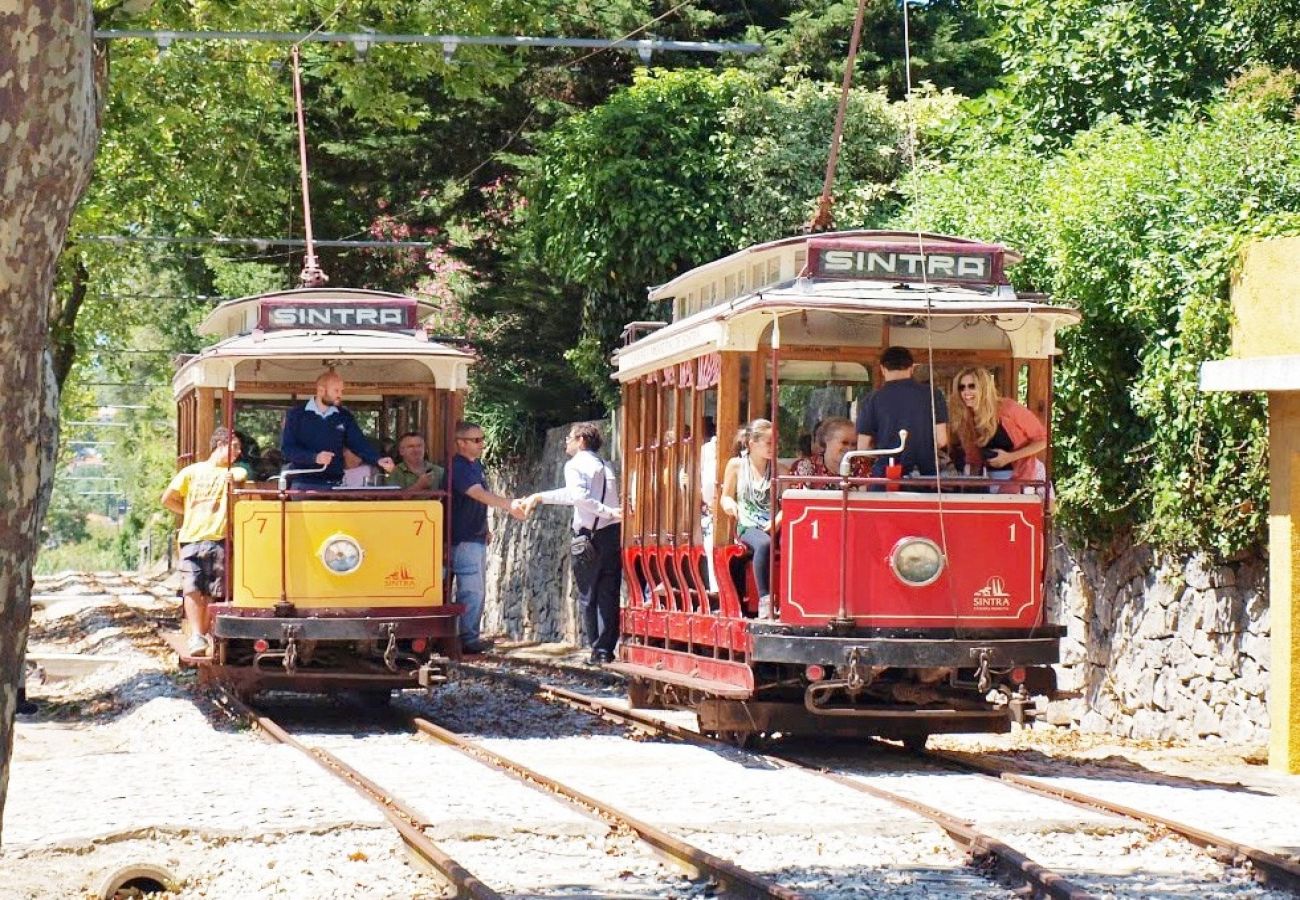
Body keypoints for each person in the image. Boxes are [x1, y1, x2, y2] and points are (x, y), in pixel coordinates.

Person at [519, 422, 623, 665]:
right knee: (609, 593)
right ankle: (606, 649)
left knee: (589, 594)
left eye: (570, 438)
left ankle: (596, 650)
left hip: (588, 535)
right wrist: (541, 496)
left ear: (581, 441)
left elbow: (579, 497)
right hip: (610, 533)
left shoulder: (575, 464)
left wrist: (608, 512)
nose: (566, 441)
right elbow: (575, 495)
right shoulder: (604, 464)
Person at [160, 427, 243, 656]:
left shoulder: (231, 472)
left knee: (213, 590)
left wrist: (233, 477)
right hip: (191, 537)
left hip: (218, 537)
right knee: (192, 586)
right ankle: (197, 635)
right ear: (220, 445)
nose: (238, 452)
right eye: (235, 447)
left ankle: (204, 633)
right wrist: (188, 514)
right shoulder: (191, 472)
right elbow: (167, 499)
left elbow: (241, 475)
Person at [449, 420, 525, 654]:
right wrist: (509, 504)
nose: (482, 444)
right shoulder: (460, 467)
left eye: (482, 439)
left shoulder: (475, 466)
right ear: (461, 443)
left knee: (473, 589)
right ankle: (468, 638)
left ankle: (465, 636)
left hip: (473, 535)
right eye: (476, 440)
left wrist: (485, 527)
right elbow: (477, 494)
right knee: (472, 589)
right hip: (462, 538)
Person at [280, 370, 394, 488]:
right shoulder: (295, 415)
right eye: (336, 390)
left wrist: (378, 459)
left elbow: (359, 443)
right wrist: (314, 458)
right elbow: (287, 449)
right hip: (303, 483)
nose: (340, 395)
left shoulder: (344, 416)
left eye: (341, 391)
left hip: (335, 483)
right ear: (321, 390)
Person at [720, 419, 785, 617]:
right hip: (747, 525)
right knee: (764, 544)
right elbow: (726, 496)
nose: (773, 447)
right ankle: (765, 599)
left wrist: (776, 522)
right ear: (752, 444)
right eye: (768, 443)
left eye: (776, 442)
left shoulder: (781, 470)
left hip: (772, 524)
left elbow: (788, 504)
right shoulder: (736, 466)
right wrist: (730, 505)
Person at [856, 346, 949, 478]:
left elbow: (862, 448)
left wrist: (884, 453)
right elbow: (941, 439)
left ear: (882, 369)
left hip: (887, 475)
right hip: (925, 475)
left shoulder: (872, 399)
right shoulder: (933, 394)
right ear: (911, 368)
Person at [948, 366, 1047, 489]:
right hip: (994, 477)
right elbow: (973, 458)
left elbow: (1043, 439)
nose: (966, 392)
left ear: (984, 388)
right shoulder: (966, 418)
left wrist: (1010, 457)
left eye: (972, 386)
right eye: (961, 387)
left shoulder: (1008, 408)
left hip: (1027, 473)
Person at [791, 417, 869, 484]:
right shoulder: (805, 467)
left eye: (854, 444)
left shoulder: (862, 466)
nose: (849, 448)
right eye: (844, 443)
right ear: (827, 440)